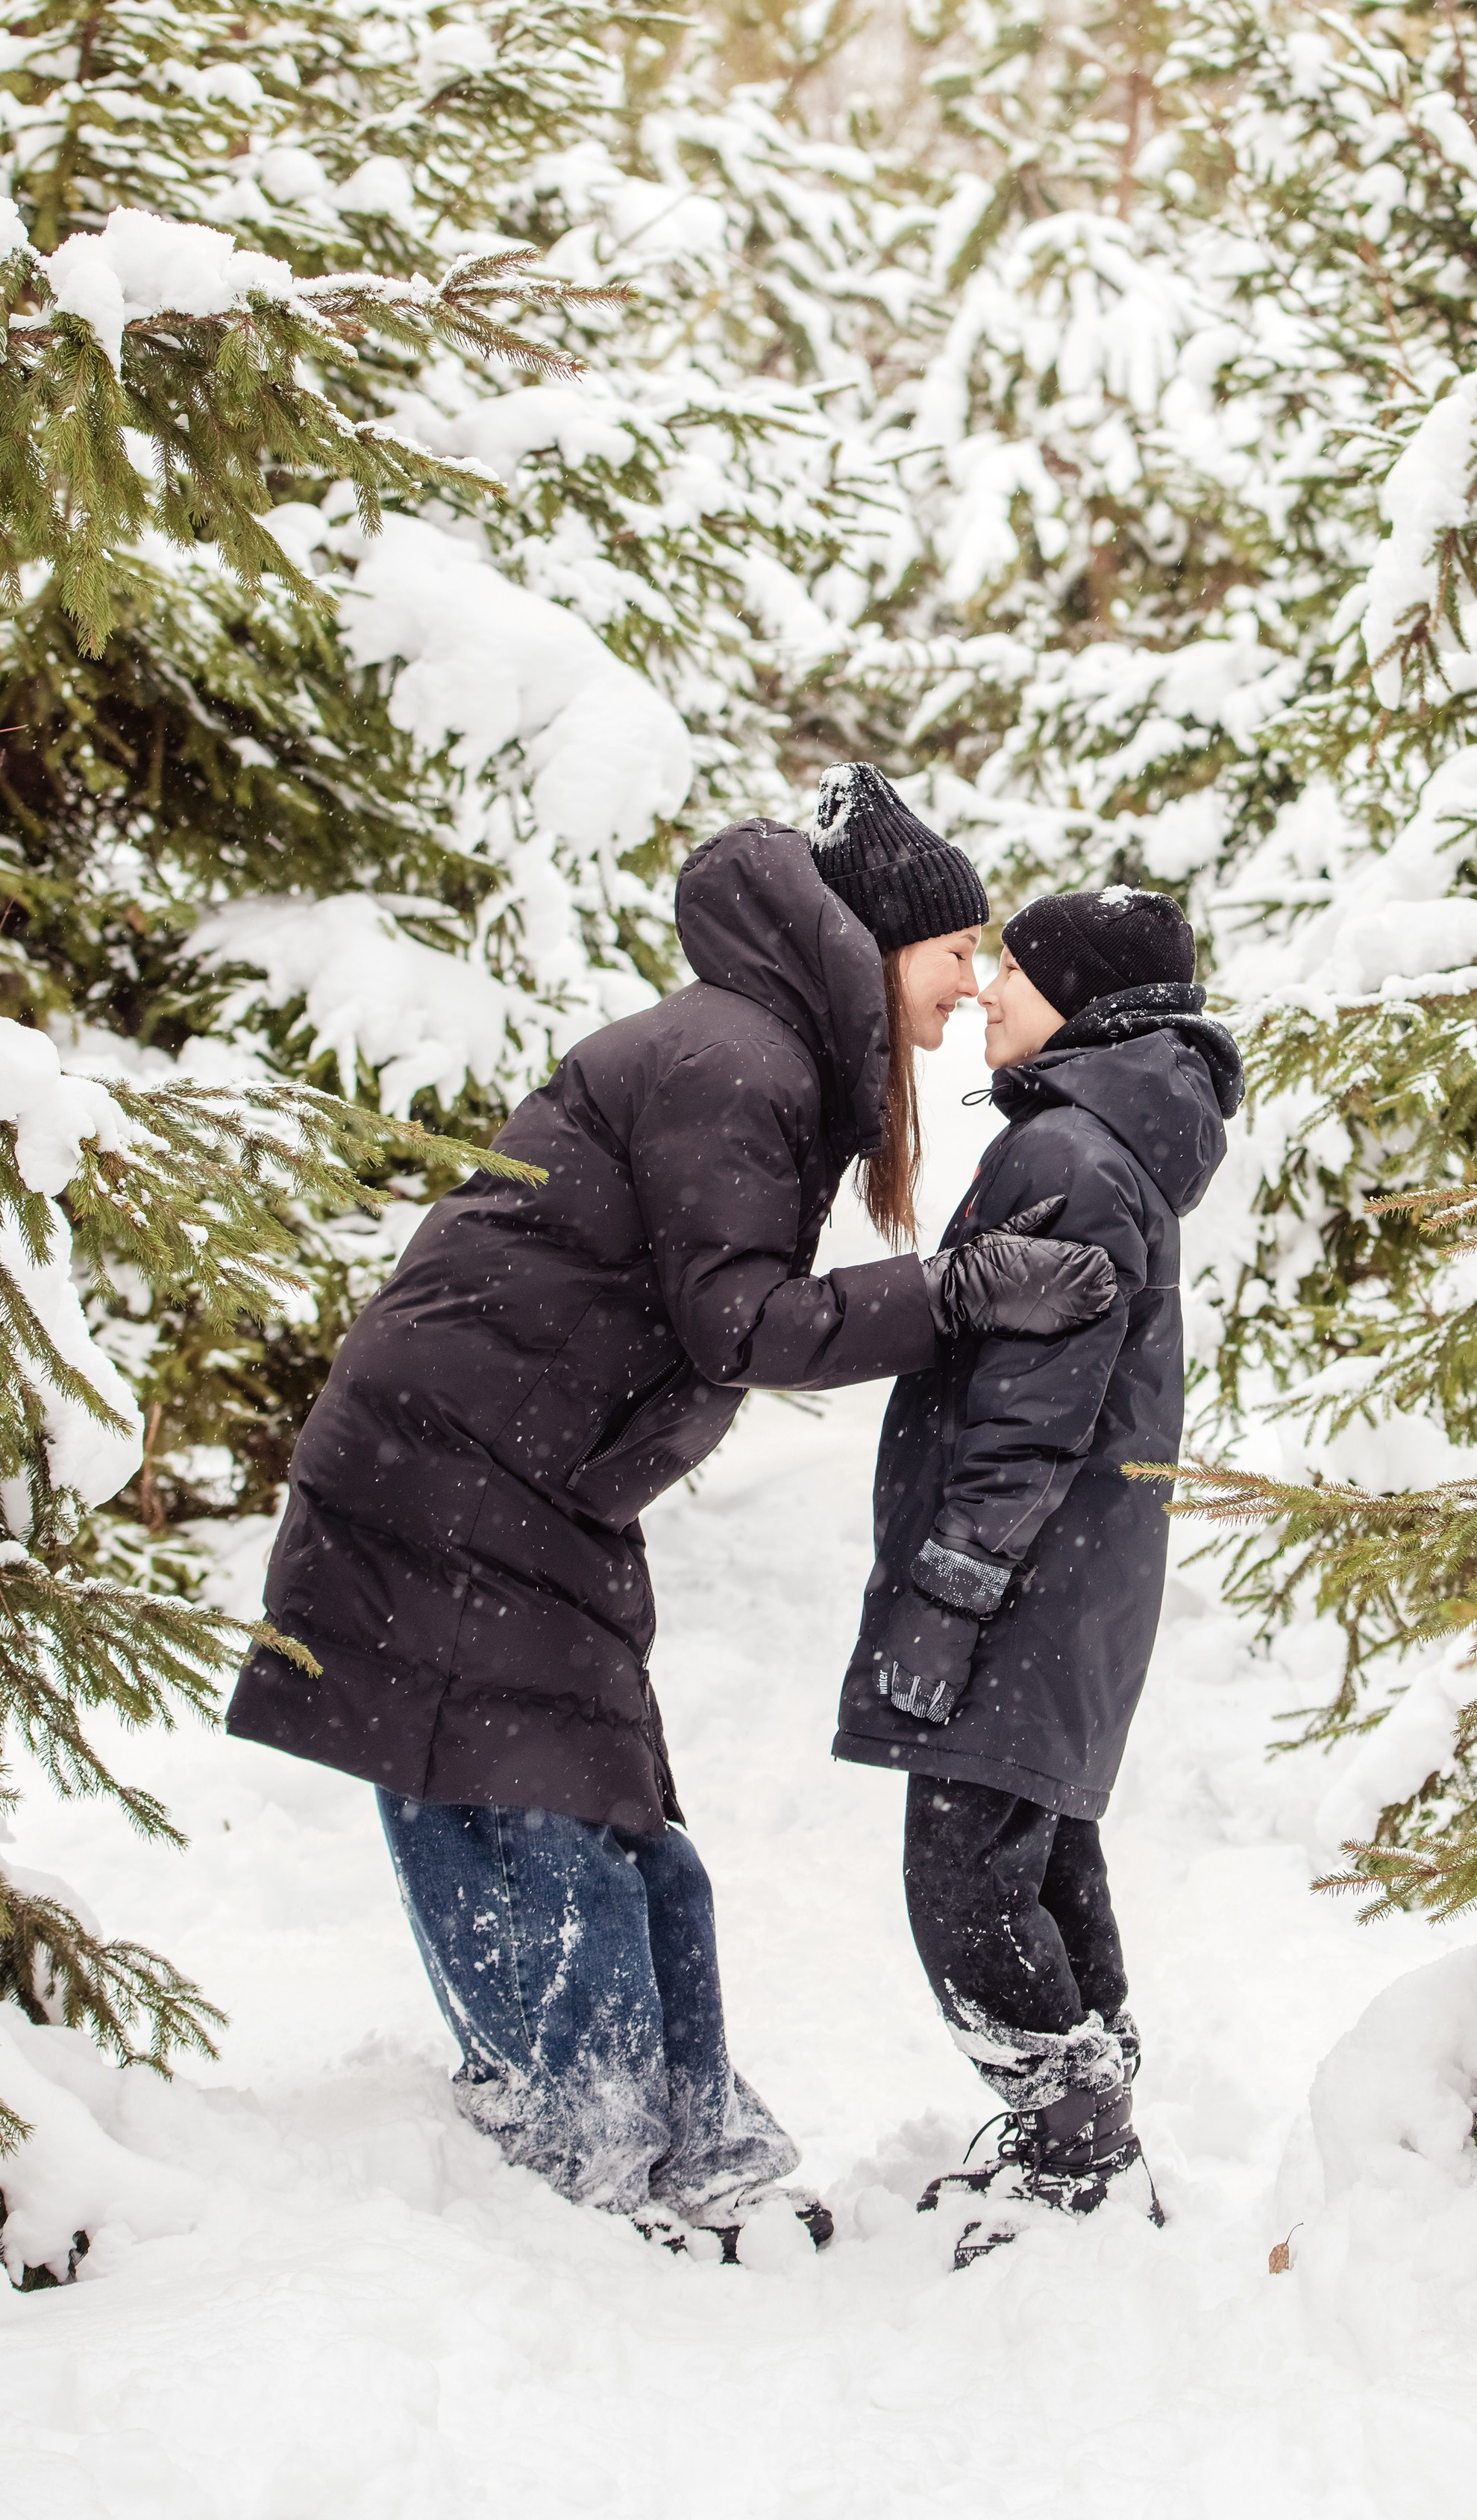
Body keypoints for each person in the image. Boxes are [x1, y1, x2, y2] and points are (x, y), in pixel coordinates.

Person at [225, 767, 1118, 2259]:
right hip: (451, 1465)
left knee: (614, 1801)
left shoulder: (766, 1053)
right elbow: (737, 1324)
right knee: (526, 1795)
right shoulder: (734, 1059)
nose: (975, 985)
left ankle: (690, 2143)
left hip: (523, 1466)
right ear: (878, 940)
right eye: (957, 949)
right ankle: (585, 2150)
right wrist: (955, 1296)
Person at [832, 884, 1241, 2265]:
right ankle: (1092, 2135)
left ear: (1080, 998)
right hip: (1074, 1584)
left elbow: (1029, 1416)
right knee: (1039, 1847)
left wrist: (951, 1592)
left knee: (962, 1874)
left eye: (1016, 972)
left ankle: (1076, 2157)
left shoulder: (1067, 1147)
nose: (988, 997)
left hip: (1022, 1581)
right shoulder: (1115, 1141)